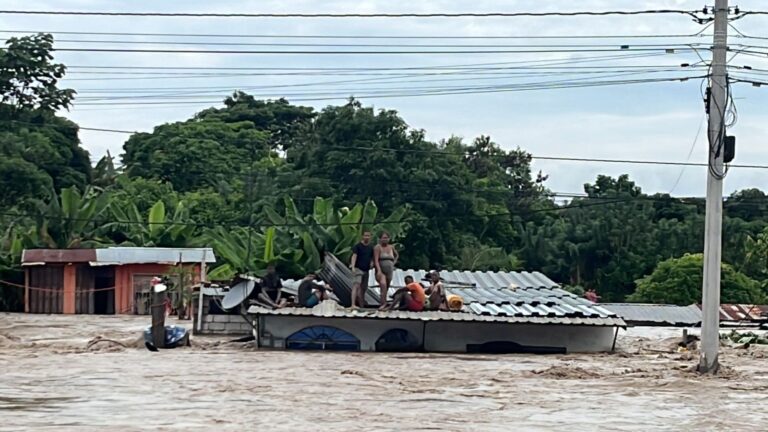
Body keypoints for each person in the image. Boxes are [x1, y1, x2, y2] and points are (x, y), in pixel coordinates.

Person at [373, 231, 399, 310]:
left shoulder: (391, 247)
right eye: (383, 238)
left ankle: (384, 302)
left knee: (386, 288)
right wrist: (378, 270)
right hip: (381, 269)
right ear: (380, 239)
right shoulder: (377, 247)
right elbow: (376, 260)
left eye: (386, 238)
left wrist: (393, 263)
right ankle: (383, 304)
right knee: (383, 285)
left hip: (390, 270)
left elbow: (396, 255)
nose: (385, 239)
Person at [349, 231, 374, 309]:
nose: (367, 237)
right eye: (365, 235)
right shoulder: (358, 246)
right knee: (356, 285)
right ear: (362, 236)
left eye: (368, 236)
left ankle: (361, 304)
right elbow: (354, 256)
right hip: (358, 268)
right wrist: (353, 267)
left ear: (370, 237)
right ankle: (353, 304)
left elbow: (372, 257)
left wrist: (372, 263)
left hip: (366, 270)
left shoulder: (371, 247)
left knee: (363, 288)